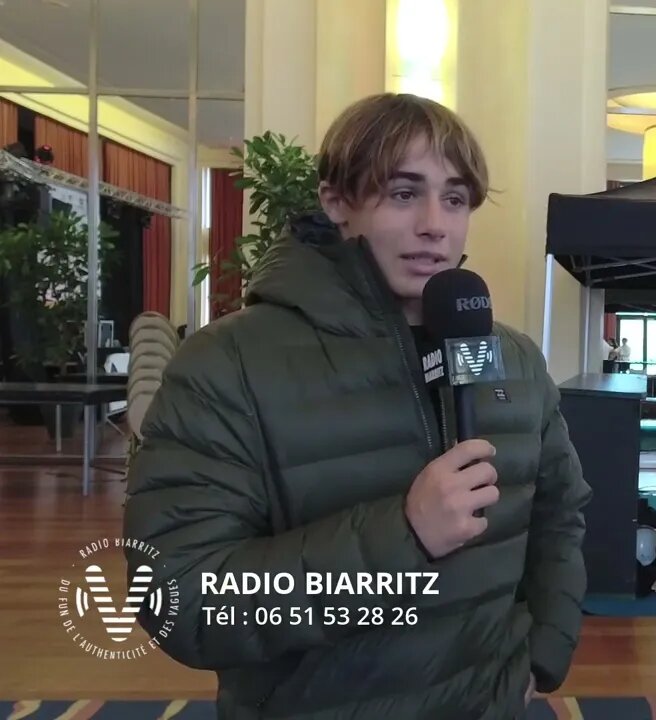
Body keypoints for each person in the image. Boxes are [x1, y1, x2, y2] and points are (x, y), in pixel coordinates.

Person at [122, 93, 592, 719]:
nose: (435, 223)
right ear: (336, 202)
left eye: (454, 198)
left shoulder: (514, 358)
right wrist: (402, 535)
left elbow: (560, 515)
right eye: (403, 193)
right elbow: (179, 596)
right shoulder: (226, 366)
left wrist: (542, 653)